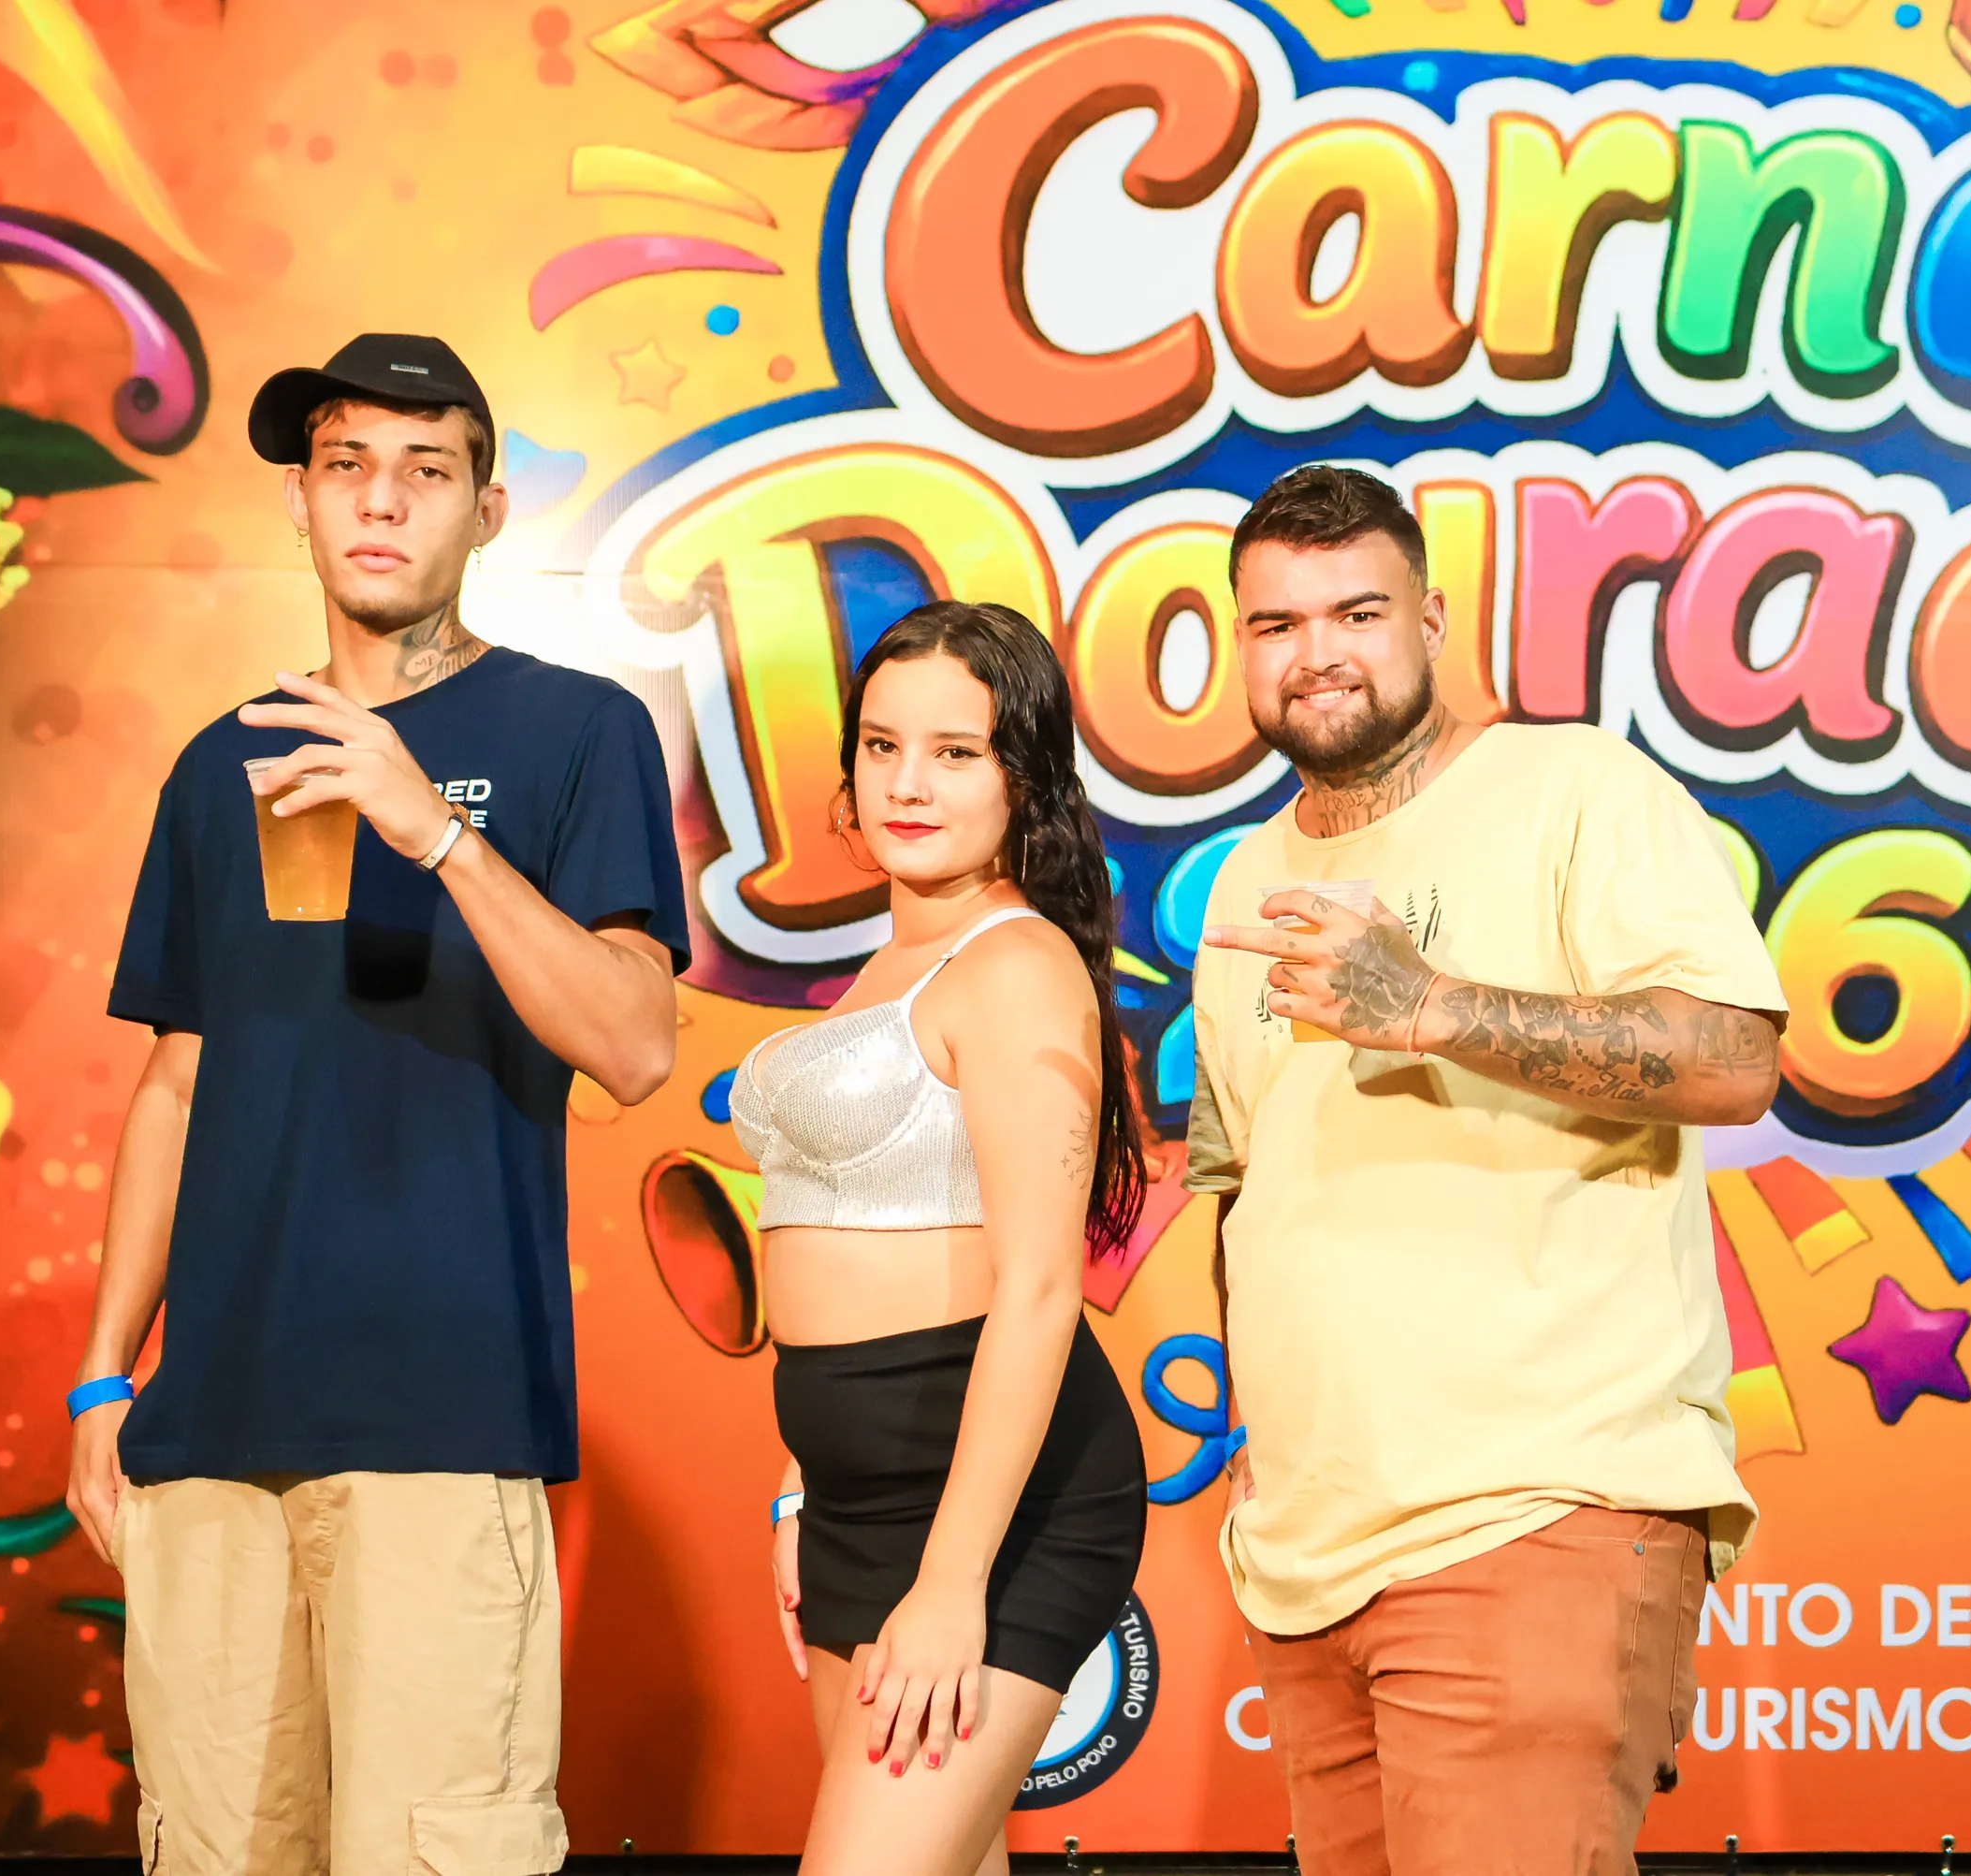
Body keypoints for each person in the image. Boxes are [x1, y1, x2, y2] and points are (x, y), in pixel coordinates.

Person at [64, 333, 689, 1876]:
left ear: (487, 511)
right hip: (207, 1437)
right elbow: (179, 1078)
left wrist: (436, 832)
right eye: (346, 465)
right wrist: (99, 1379)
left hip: (438, 1425)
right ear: (301, 501)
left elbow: (635, 1045)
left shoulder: (577, 731)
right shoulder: (219, 764)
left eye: (427, 470)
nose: (381, 501)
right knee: (210, 1853)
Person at [1189, 465, 1791, 1876]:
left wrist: (1433, 1007)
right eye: (1277, 625)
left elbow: (1733, 1057)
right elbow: (1244, 1184)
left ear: (1432, 621)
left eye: (1357, 613)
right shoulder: (1242, 878)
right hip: (1311, 1559)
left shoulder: (1575, 787)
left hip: (1535, 1511)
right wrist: (1265, 1446)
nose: (1318, 654)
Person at [732, 601, 1149, 1876]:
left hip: (995, 1510)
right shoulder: (885, 970)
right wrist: (806, 1488)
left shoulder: (1014, 964)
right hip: (856, 1501)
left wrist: (955, 1580)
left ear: (1023, 777)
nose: (907, 783)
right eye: (882, 746)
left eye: (955, 753)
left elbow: (1040, 1290)